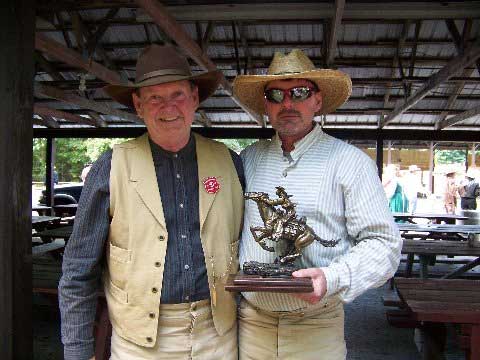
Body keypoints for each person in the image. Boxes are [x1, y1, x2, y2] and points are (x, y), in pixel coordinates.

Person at [58, 45, 245, 360]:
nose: (168, 107)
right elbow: (78, 270)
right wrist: (78, 350)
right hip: (139, 346)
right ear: (138, 104)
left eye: (177, 95)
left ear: (195, 98)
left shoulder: (230, 163)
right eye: (155, 97)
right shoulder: (110, 167)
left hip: (219, 339)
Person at [232, 49, 402, 359]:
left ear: (317, 101)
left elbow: (385, 245)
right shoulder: (249, 159)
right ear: (266, 105)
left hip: (316, 327)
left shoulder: (350, 162)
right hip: (252, 326)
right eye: (276, 94)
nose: (288, 103)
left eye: (299, 92)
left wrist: (332, 277)